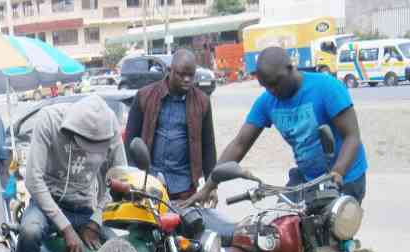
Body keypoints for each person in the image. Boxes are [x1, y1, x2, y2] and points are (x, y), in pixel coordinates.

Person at [186, 46, 368, 206]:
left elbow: (352, 136)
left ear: (291, 68)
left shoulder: (326, 87)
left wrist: (337, 172)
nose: (272, 90)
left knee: (331, 236)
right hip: (307, 179)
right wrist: (210, 185)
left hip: (346, 176)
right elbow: (239, 144)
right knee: (282, 227)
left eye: (275, 83)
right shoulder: (267, 101)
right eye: (266, 86)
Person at [18, 94, 126, 252]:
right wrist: (66, 228)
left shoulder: (111, 127)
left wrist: (95, 222)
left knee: (119, 251)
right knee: (28, 233)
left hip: (85, 209)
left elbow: (118, 178)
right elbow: (33, 180)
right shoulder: (49, 120)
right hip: (46, 204)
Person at [125, 49, 217, 202]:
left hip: (185, 188)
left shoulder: (202, 102)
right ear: (170, 71)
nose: (187, 79)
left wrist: (212, 186)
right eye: (182, 74)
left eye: (191, 75)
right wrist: (133, 178)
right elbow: (130, 140)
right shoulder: (144, 96)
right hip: (148, 184)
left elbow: (208, 145)